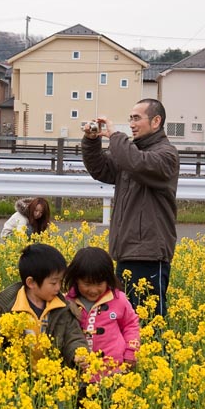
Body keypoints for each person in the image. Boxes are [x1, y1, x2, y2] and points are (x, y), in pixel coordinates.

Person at [81, 98, 179, 317]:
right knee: (126, 323)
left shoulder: (166, 155)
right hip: (126, 250)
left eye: (137, 118)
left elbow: (136, 162)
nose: (132, 124)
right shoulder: (132, 154)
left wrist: (116, 136)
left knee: (149, 323)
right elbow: (102, 169)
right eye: (130, 119)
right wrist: (91, 141)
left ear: (156, 121)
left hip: (149, 255)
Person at [0, 243, 87, 369]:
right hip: (17, 379)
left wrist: (78, 353)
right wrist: (3, 333)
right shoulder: (6, 306)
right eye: (53, 283)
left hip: (53, 379)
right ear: (31, 282)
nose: (58, 287)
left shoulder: (63, 308)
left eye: (60, 281)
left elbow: (73, 337)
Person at [64, 246, 139, 382]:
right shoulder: (67, 303)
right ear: (76, 280)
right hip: (81, 375)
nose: (93, 290)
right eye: (87, 284)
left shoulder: (118, 299)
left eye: (99, 284)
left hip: (115, 371)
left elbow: (131, 325)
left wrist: (131, 351)